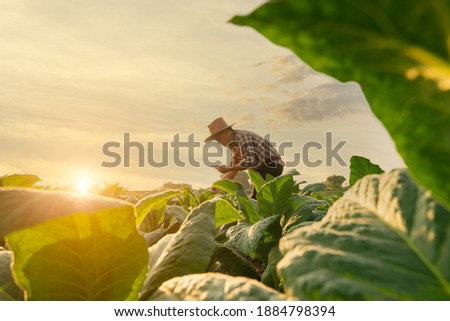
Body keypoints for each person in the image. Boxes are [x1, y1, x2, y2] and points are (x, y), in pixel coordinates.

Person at [205, 117, 285, 198]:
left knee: (256, 199)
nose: (219, 143)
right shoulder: (233, 146)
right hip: (260, 170)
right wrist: (218, 185)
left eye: (219, 139)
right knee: (259, 199)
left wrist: (227, 168)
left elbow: (250, 162)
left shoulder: (241, 137)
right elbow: (233, 170)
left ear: (225, 132)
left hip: (271, 166)